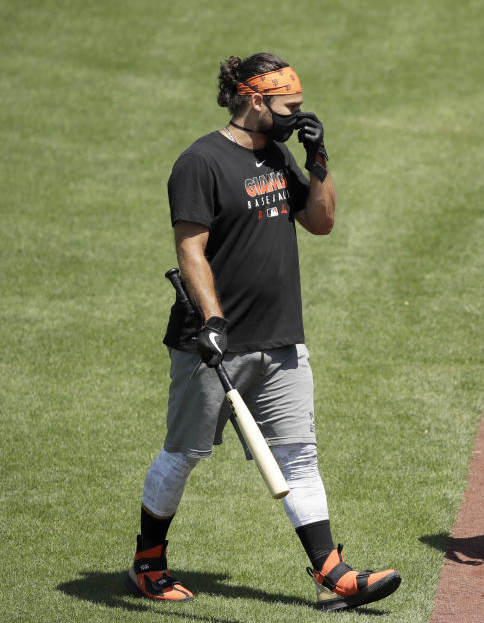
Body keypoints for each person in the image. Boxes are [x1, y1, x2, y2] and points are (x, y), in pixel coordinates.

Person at [126, 53, 401, 611]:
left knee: (299, 457)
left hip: (281, 338)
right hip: (213, 344)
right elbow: (190, 250)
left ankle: (333, 573)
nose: (297, 116)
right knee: (183, 453)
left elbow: (321, 222)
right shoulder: (200, 162)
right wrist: (213, 320)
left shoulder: (278, 154)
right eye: (289, 108)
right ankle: (148, 560)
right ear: (255, 100)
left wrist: (317, 158)